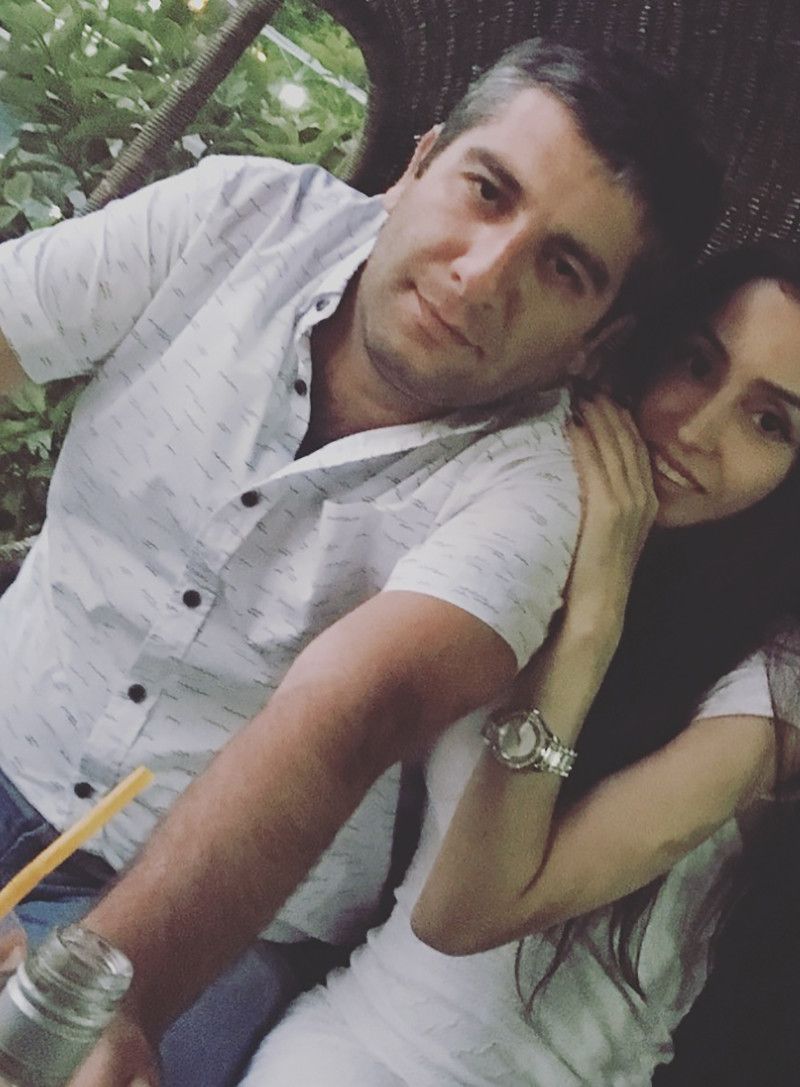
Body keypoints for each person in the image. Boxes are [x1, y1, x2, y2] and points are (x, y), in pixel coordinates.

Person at [0, 38, 720, 1087]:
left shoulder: (533, 492)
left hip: (204, 924)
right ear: (417, 164)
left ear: (595, 343)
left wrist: (101, 1000)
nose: (482, 275)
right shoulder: (236, 218)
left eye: (561, 268)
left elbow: (352, 711)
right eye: (486, 190)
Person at [241, 242, 800, 1086]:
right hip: (345, 1043)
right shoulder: (524, 521)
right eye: (697, 364)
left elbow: (465, 911)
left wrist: (594, 621)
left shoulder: (783, 690)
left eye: (768, 422)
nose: (697, 428)